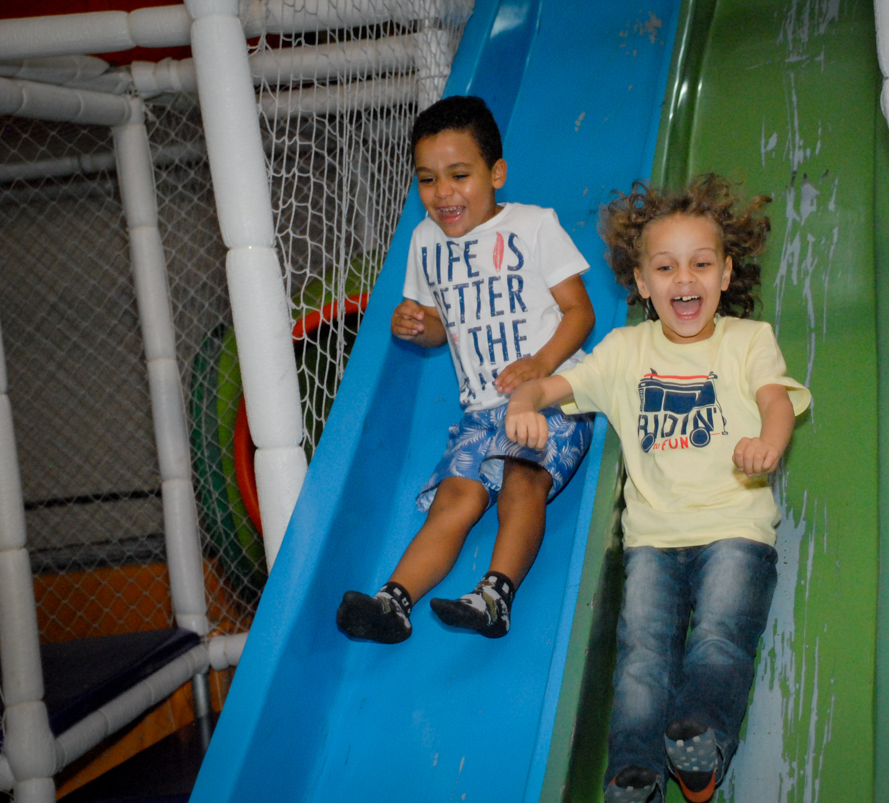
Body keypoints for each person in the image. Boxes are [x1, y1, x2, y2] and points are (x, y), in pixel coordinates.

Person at [504, 175, 810, 802]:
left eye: (701, 264)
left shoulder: (748, 340)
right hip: (651, 539)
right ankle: (634, 770)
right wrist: (524, 401)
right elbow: (548, 388)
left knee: (720, 634)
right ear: (643, 284)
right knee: (641, 655)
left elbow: (775, 402)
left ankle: (702, 739)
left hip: (734, 528)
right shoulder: (623, 350)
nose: (685, 280)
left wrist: (769, 445)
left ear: (725, 274)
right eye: (666, 268)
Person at [335, 95, 595, 644]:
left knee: (523, 477)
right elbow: (439, 326)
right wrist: (415, 325)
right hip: (480, 413)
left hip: (551, 395)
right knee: (458, 496)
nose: (443, 193)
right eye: (427, 180)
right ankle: (394, 601)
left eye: (459, 174)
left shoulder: (533, 226)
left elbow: (580, 312)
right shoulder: (425, 241)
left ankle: (495, 595)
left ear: (495, 172)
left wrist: (539, 366)